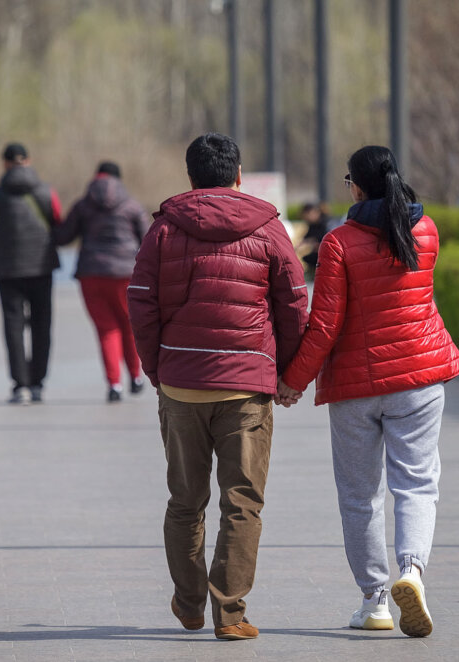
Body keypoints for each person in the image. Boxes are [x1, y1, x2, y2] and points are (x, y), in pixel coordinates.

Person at [277, 145, 459, 637]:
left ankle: (375, 601)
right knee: (417, 483)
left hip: (357, 389)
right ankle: (412, 573)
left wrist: (291, 382)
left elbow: (325, 326)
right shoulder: (425, 230)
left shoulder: (340, 242)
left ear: (356, 187)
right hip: (421, 379)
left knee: (361, 496)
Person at [128, 133, 308, 641]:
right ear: (239, 174)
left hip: (182, 388)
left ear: (190, 177)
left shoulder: (164, 228)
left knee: (185, 502)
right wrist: (286, 372)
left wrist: (157, 369)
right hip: (247, 388)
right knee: (241, 502)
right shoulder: (269, 228)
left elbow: (140, 299)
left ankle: (189, 604)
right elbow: (295, 302)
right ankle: (229, 614)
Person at [53, 161, 150, 403]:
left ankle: (114, 384)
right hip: (126, 275)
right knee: (129, 326)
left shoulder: (83, 205)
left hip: (91, 275)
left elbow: (63, 236)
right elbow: (149, 240)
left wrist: (47, 221)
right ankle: (136, 377)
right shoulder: (132, 205)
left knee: (107, 329)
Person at [0, 142, 63, 405]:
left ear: (4, 163)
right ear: (28, 160)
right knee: (42, 324)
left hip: (7, 269)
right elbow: (58, 220)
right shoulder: (47, 192)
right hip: (41, 267)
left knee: (13, 327)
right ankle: (38, 383)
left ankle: (20, 386)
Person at [294, 202, 330, 279]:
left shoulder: (327, 223)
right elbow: (306, 238)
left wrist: (312, 243)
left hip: (327, 257)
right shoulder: (312, 224)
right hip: (316, 256)